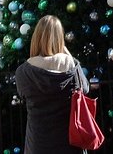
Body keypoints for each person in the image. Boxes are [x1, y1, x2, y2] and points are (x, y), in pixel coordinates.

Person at [13, 15, 89, 154]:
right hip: (69, 145)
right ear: (60, 39)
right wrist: (68, 56)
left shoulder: (24, 72)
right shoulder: (72, 68)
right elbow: (85, 88)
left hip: (38, 144)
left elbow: (23, 94)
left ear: (36, 38)